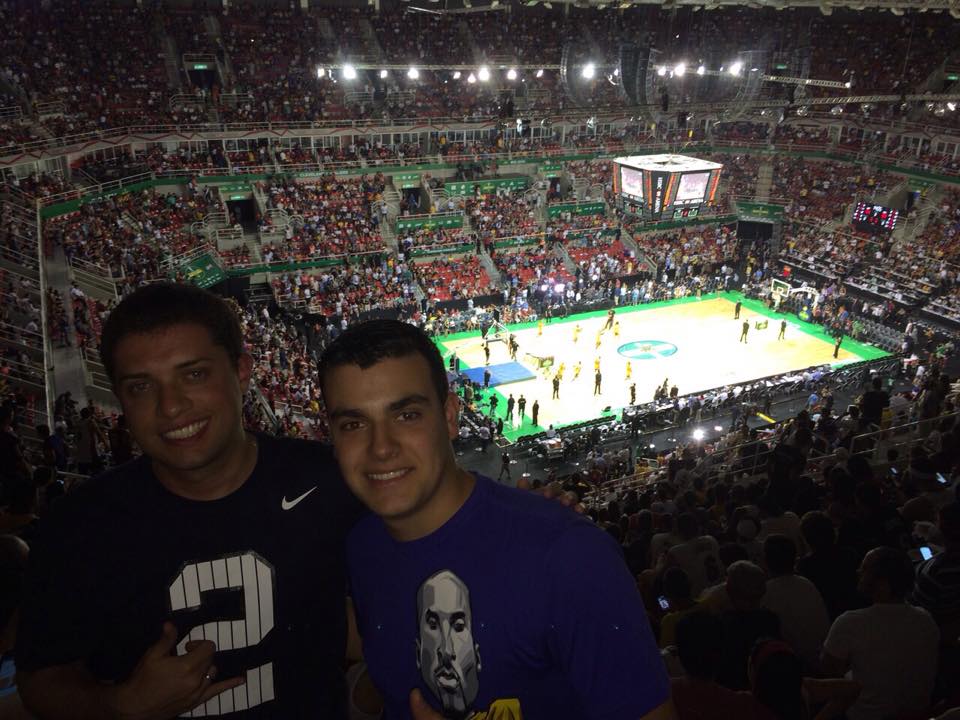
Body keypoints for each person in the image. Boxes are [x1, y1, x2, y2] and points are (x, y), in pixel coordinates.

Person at [16, 283, 365, 719]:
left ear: (241, 371)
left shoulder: (330, 481)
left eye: (194, 374)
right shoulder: (76, 527)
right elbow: (41, 679)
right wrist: (120, 705)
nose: (171, 407)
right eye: (142, 387)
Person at [320, 319, 673, 719]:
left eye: (407, 415)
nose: (380, 447)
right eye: (353, 424)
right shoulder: (358, 547)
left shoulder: (569, 557)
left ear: (450, 416)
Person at [821, 547, 939, 720]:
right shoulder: (926, 619)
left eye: (865, 569)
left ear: (883, 582)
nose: (859, 571)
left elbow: (829, 669)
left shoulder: (850, 623)